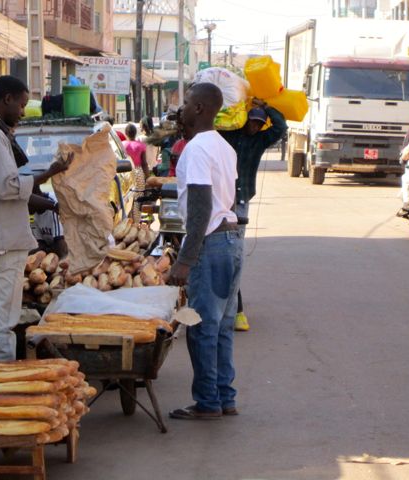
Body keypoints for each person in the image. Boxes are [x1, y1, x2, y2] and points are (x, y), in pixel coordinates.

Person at [0, 75, 71, 361]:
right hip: (2, 241)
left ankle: (2, 370)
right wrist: (49, 173)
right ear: (7, 99)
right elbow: (7, 187)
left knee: (1, 317)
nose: (23, 112)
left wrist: (48, 204)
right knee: (1, 321)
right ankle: (2, 375)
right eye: (22, 105)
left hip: (1, 238)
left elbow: (10, 190)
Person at [167, 82, 243, 420]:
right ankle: (225, 397)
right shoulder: (224, 146)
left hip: (210, 242)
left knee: (201, 328)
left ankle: (208, 402)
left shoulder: (197, 149)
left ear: (199, 108)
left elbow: (200, 207)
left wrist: (185, 259)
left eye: (186, 103)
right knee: (222, 327)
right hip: (230, 239)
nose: (181, 109)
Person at [220, 100, 287, 332]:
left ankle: (236, 310)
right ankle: (227, 307)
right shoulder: (230, 135)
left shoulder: (260, 140)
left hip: (241, 201)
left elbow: (281, 127)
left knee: (235, 254)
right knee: (222, 252)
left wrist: (266, 107)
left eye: (259, 123)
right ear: (245, 120)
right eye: (252, 122)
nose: (255, 127)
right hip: (221, 199)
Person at [123, 123, 150, 223]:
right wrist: (148, 178)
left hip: (126, 172)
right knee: (138, 200)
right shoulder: (141, 146)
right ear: (135, 133)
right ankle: (136, 223)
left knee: (126, 199)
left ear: (126, 133)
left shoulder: (122, 145)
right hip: (138, 172)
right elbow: (144, 163)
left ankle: (126, 223)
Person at [32, 191, 68, 259]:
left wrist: (45, 249)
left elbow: (61, 248)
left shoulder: (54, 209)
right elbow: (40, 245)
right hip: (53, 253)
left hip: (69, 254)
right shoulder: (33, 215)